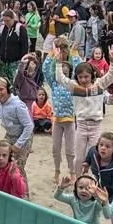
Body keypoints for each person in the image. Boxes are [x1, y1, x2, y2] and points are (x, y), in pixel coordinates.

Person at [55, 48, 113, 175]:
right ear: (77, 77)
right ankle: (78, 179)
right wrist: (58, 63)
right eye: (80, 77)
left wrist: (112, 62)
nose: (84, 80)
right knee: (79, 157)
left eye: (86, 77)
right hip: (81, 125)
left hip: (96, 125)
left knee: (95, 156)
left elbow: (111, 76)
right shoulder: (74, 86)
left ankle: (92, 179)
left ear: (92, 75)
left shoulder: (99, 84)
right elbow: (60, 78)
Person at [0, 78, 34, 186]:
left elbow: (29, 126)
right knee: (4, 163)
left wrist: (18, 144)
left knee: (17, 167)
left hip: (23, 137)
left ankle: (24, 196)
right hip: (10, 135)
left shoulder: (18, 105)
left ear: (8, 89)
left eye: (1, 89)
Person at [42, 38, 79, 182]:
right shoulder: (54, 84)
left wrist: (74, 53)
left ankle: (72, 172)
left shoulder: (72, 84)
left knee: (70, 150)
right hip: (56, 120)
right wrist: (53, 54)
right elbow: (46, 69)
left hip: (70, 120)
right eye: (60, 66)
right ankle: (57, 171)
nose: (63, 68)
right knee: (55, 149)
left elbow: (78, 67)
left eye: (66, 67)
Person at [81, 132, 113, 202]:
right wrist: (87, 162)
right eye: (101, 145)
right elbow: (90, 154)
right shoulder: (93, 152)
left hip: (109, 196)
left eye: (107, 146)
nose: (103, 148)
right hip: (96, 188)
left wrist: (107, 202)